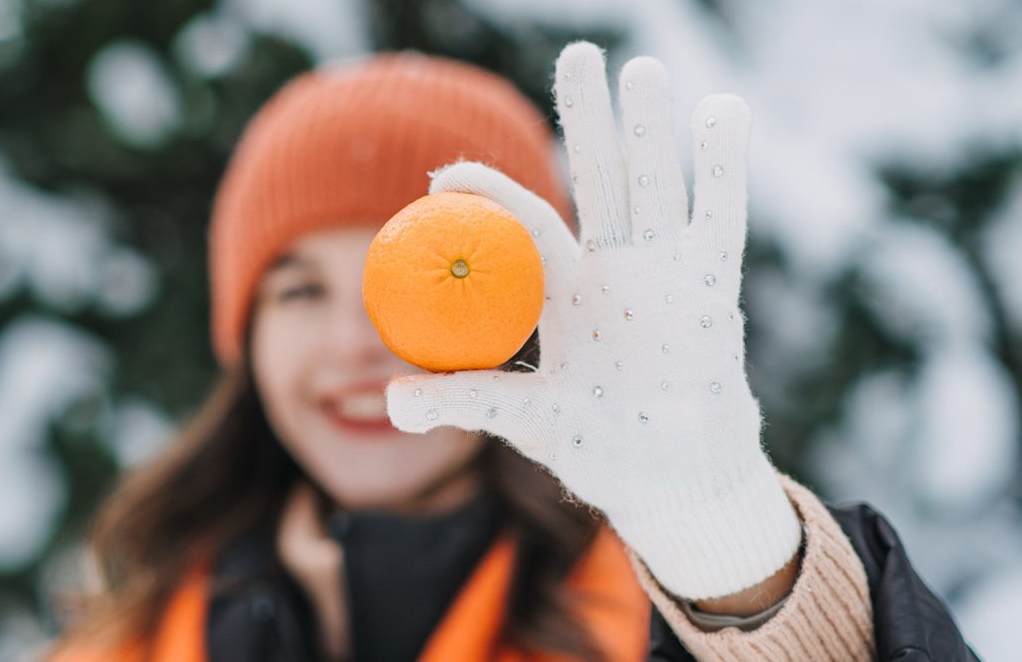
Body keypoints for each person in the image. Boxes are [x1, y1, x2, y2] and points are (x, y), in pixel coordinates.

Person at [51, 42, 977, 661]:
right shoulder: (127, 633)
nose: (356, 343)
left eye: (403, 279)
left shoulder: (661, 615)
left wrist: (732, 556)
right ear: (243, 335)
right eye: (299, 290)